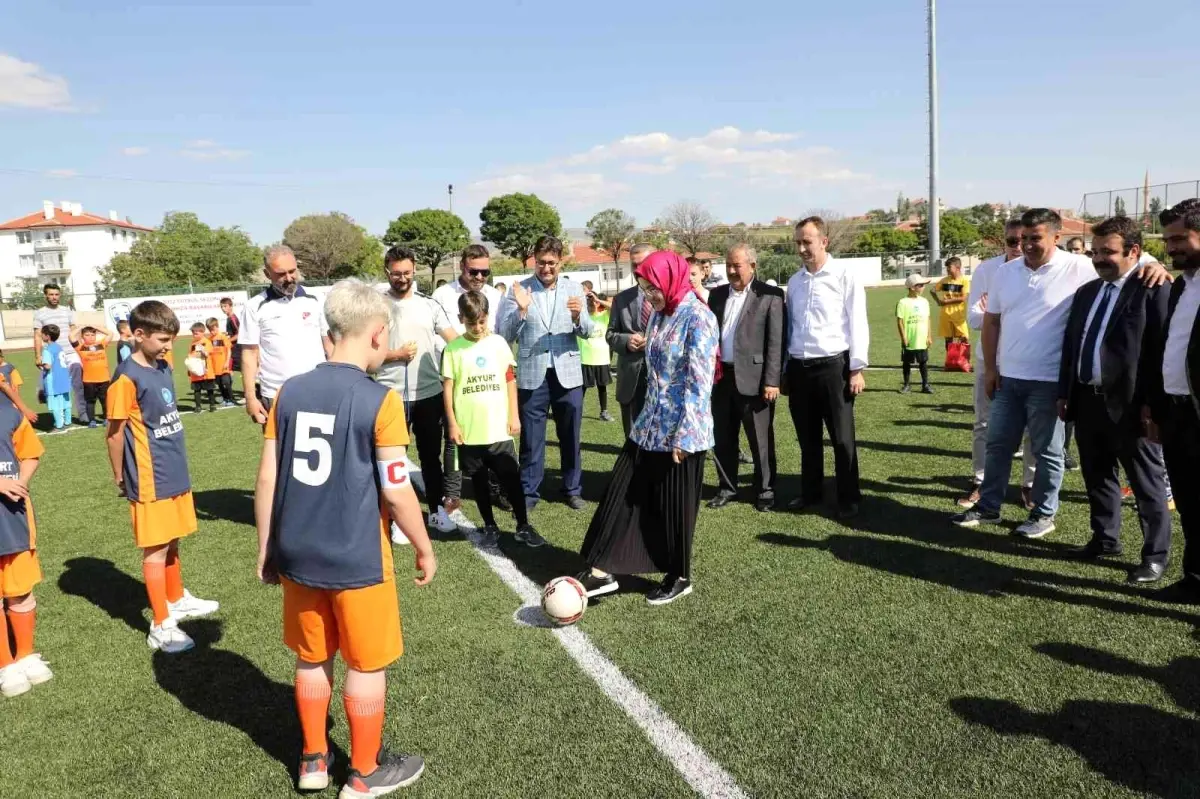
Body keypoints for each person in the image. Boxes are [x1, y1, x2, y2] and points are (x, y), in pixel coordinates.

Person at [254, 279, 432, 795]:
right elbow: (397, 492)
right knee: (366, 662)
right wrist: (422, 546)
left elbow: (267, 477)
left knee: (312, 656)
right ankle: (364, 773)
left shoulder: (288, 391)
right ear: (378, 335)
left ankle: (313, 760)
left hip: (297, 551)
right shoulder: (381, 399)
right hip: (357, 557)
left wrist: (266, 547)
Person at [953, 208, 1168, 537]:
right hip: (1008, 378)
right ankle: (989, 506)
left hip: (1050, 380)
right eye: (1022, 238)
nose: (1026, 245)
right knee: (997, 444)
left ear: (1056, 237)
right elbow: (992, 320)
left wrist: (1153, 264)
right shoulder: (1005, 273)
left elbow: (1128, 256)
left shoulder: (1080, 266)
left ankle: (1043, 513)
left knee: (1047, 452)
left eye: (1035, 238)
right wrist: (993, 368)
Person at [576, 251, 718, 605]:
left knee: (674, 507)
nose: (648, 294)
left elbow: (699, 384)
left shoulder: (699, 317)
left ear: (672, 279)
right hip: (647, 427)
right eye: (643, 286)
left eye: (652, 287)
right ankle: (602, 569)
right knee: (622, 494)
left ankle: (679, 575)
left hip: (682, 433)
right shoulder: (658, 314)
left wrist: (685, 436)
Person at [1056, 216, 1170, 584]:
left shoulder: (1153, 288)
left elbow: (1160, 352)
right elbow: (1071, 347)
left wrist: (1155, 405)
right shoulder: (1087, 292)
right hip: (1087, 400)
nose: (1099, 258)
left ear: (1134, 252)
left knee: (1146, 484)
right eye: (1095, 251)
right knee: (1097, 475)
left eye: (1109, 252)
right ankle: (1104, 540)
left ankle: (1154, 556)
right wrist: (1065, 392)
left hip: (1133, 405)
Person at [106, 301, 219, 655]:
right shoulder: (125, 378)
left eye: (171, 339)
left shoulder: (163, 366)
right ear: (138, 335)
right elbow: (114, 433)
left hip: (174, 468)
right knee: (155, 549)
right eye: (161, 339)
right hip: (149, 474)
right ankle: (160, 624)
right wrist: (119, 475)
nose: (169, 346)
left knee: (172, 540)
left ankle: (175, 598)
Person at [497, 235, 593, 511]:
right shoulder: (518, 290)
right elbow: (504, 335)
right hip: (532, 374)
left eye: (552, 263)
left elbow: (587, 331)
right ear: (533, 261)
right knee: (532, 438)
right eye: (541, 263)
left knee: (571, 435)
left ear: (560, 262)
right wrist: (522, 310)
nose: (546, 268)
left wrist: (577, 317)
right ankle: (529, 492)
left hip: (568, 373)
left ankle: (573, 489)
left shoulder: (574, 289)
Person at [784, 216, 869, 518]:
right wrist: (786, 370)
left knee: (842, 438)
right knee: (808, 439)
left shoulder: (844, 275)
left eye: (807, 241)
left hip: (834, 367)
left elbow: (858, 320)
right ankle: (811, 494)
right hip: (800, 367)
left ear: (824, 241)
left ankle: (848, 497)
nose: (802, 248)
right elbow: (790, 327)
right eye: (798, 242)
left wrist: (857, 368)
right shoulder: (794, 282)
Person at [443, 291, 542, 547]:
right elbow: (448, 389)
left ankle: (523, 525)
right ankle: (489, 526)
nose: (477, 328)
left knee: (511, 479)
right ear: (460, 319)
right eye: (471, 323)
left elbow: (510, 380)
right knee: (478, 480)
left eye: (482, 322)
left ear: (487, 317)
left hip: (498, 429)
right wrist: (453, 423)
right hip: (469, 430)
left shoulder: (498, 343)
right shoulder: (453, 349)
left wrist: (514, 416)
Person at [376, 246, 460, 538]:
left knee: (430, 458)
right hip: (389, 395)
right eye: (396, 273)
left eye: (407, 273)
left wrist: (478, 348)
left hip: (428, 394)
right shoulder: (375, 305)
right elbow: (365, 352)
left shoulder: (429, 304)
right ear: (387, 272)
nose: (402, 278)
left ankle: (436, 512)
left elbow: (454, 341)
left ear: (414, 271)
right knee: (393, 460)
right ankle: (398, 519)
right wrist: (395, 354)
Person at [961, 220, 1036, 508]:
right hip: (989, 359)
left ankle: (1029, 485)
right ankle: (980, 480)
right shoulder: (987, 270)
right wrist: (1005, 317)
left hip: (1029, 361)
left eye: (1025, 239)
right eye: (1013, 241)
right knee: (983, 423)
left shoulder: (1046, 269)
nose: (1019, 246)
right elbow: (974, 317)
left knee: (1031, 427)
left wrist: (1149, 265)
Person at [707, 245, 784, 513]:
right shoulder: (715, 295)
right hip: (720, 379)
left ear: (752, 265)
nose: (731, 271)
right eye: (728, 265)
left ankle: (765, 489)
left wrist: (772, 381)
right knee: (723, 437)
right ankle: (727, 487)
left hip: (756, 380)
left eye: (737, 266)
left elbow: (776, 343)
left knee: (760, 439)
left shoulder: (770, 295)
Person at [1149, 199, 1200, 603]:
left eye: (1181, 237)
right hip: (1178, 410)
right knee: (1188, 500)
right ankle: (1196, 578)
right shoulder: (1183, 282)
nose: (1172, 246)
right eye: (1168, 239)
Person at [432, 245, 505, 524]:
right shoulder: (442, 295)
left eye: (485, 271)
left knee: (493, 433)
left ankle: (495, 489)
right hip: (455, 373)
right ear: (461, 266)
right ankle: (451, 494)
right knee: (454, 438)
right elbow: (439, 335)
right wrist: (466, 353)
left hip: (488, 378)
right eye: (473, 270)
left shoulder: (495, 296)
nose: (479, 276)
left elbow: (497, 333)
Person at [241, 245, 327, 426]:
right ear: (267, 274)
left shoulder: (316, 299)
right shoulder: (254, 306)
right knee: (278, 452)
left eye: (292, 271)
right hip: (276, 395)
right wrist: (250, 398)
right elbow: (249, 354)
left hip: (318, 391)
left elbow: (330, 344)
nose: (289, 278)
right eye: (281, 274)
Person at [0, 401, 48, 698]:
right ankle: (5, 664)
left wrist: (20, 481)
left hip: (13, 516)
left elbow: (30, 452)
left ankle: (26, 655)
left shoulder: (7, 409)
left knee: (21, 589)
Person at [607, 244, 655, 437]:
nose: (638, 270)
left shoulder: (670, 297)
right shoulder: (621, 299)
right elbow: (610, 334)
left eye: (642, 264)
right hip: (630, 379)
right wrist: (626, 341)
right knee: (633, 435)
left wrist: (651, 340)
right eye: (634, 266)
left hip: (662, 378)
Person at [32, 284, 82, 424]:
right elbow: (37, 336)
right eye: (51, 294)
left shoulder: (67, 311)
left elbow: (74, 330)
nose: (54, 297)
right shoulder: (40, 313)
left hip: (70, 353)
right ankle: (58, 416)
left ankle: (82, 416)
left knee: (77, 385)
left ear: (60, 295)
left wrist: (80, 349)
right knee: (53, 385)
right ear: (45, 295)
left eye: (57, 294)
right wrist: (37, 356)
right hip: (53, 355)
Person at [578, 281, 614, 422]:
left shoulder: (603, 316)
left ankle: (603, 412)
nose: (591, 304)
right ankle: (577, 411)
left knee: (602, 387)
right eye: (589, 302)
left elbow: (615, 307)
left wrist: (597, 299)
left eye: (593, 302)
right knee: (582, 389)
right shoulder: (582, 318)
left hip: (602, 359)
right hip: (585, 359)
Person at [896, 274, 933, 394]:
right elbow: (900, 321)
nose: (923, 288)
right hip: (910, 338)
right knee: (907, 362)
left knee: (923, 362)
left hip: (921, 338)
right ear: (912, 287)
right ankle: (906, 385)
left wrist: (929, 336)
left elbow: (928, 319)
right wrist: (904, 337)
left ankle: (925, 385)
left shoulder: (924, 301)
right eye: (921, 285)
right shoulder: (902, 302)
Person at [71, 325, 113, 428]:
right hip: (89, 380)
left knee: (105, 400)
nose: (90, 337)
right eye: (87, 335)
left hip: (104, 379)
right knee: (90, 402)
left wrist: (96, 327)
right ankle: (92, 420)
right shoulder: (80, 347)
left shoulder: (101, 345)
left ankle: (106, 418)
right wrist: (81, 327)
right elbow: (71, 336)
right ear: (82, 337)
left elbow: (110, 333)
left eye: (93, 334)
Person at [932, 256, 970, 353]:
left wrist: (946, 301)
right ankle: (951, 361)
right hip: (946, 315)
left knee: (964, 338)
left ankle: (963, 360)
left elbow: (963, 298)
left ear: (958, 268)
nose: (947, 270)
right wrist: (938, 301)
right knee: (948, 340)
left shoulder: (964, 281)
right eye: (947, 268)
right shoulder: (944, 280)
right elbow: (932, 290)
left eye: (949, 267)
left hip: (958, 315)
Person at [38, 325, 72, 431]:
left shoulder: (47, 349)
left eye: (42, 334)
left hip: (53, 380)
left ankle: (59, 425)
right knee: (66, 401)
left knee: (55, 404)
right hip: (64, 377)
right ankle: (68, 421)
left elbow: (47, 366)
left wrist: (41, 364)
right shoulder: (59, 347)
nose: (41, 336)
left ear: (47, 336)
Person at [186, 323, 217, 413]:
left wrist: (201, 351)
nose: (194, 335)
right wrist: (189, 368)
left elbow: (206, 353)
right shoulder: (192, 343)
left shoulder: (206, 342)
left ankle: (212, 405)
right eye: (193, 333)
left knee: (209, 389)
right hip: (195, 371)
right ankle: (198, 406)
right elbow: (190, 356)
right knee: (197, 390)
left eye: (196, 333)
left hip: (206, 370)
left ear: (203, 332)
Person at [206, 318, 236, 407]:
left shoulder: (223, 337)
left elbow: (229, 350)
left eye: (213, 329)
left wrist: (227, 362)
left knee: (226, 382)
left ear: (217, 327)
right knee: (219, 384)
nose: (212, 332)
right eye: (210, 330)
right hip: (215, 367)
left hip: (224, 365)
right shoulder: (209, 340)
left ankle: (231, 399)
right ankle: (225, 398)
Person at [220, 297, 241, 378]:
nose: (223, 308)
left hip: (237, 348)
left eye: (225, 306)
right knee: (229, 368)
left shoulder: (232, 318)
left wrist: (227, 341)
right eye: (222, 307)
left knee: (242, 369)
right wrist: (227, 334)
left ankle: (253, 388)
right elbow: (233, 332)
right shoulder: (229, 318)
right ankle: (228, 389)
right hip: (232, 348)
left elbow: (239, 334)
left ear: (231, 306)